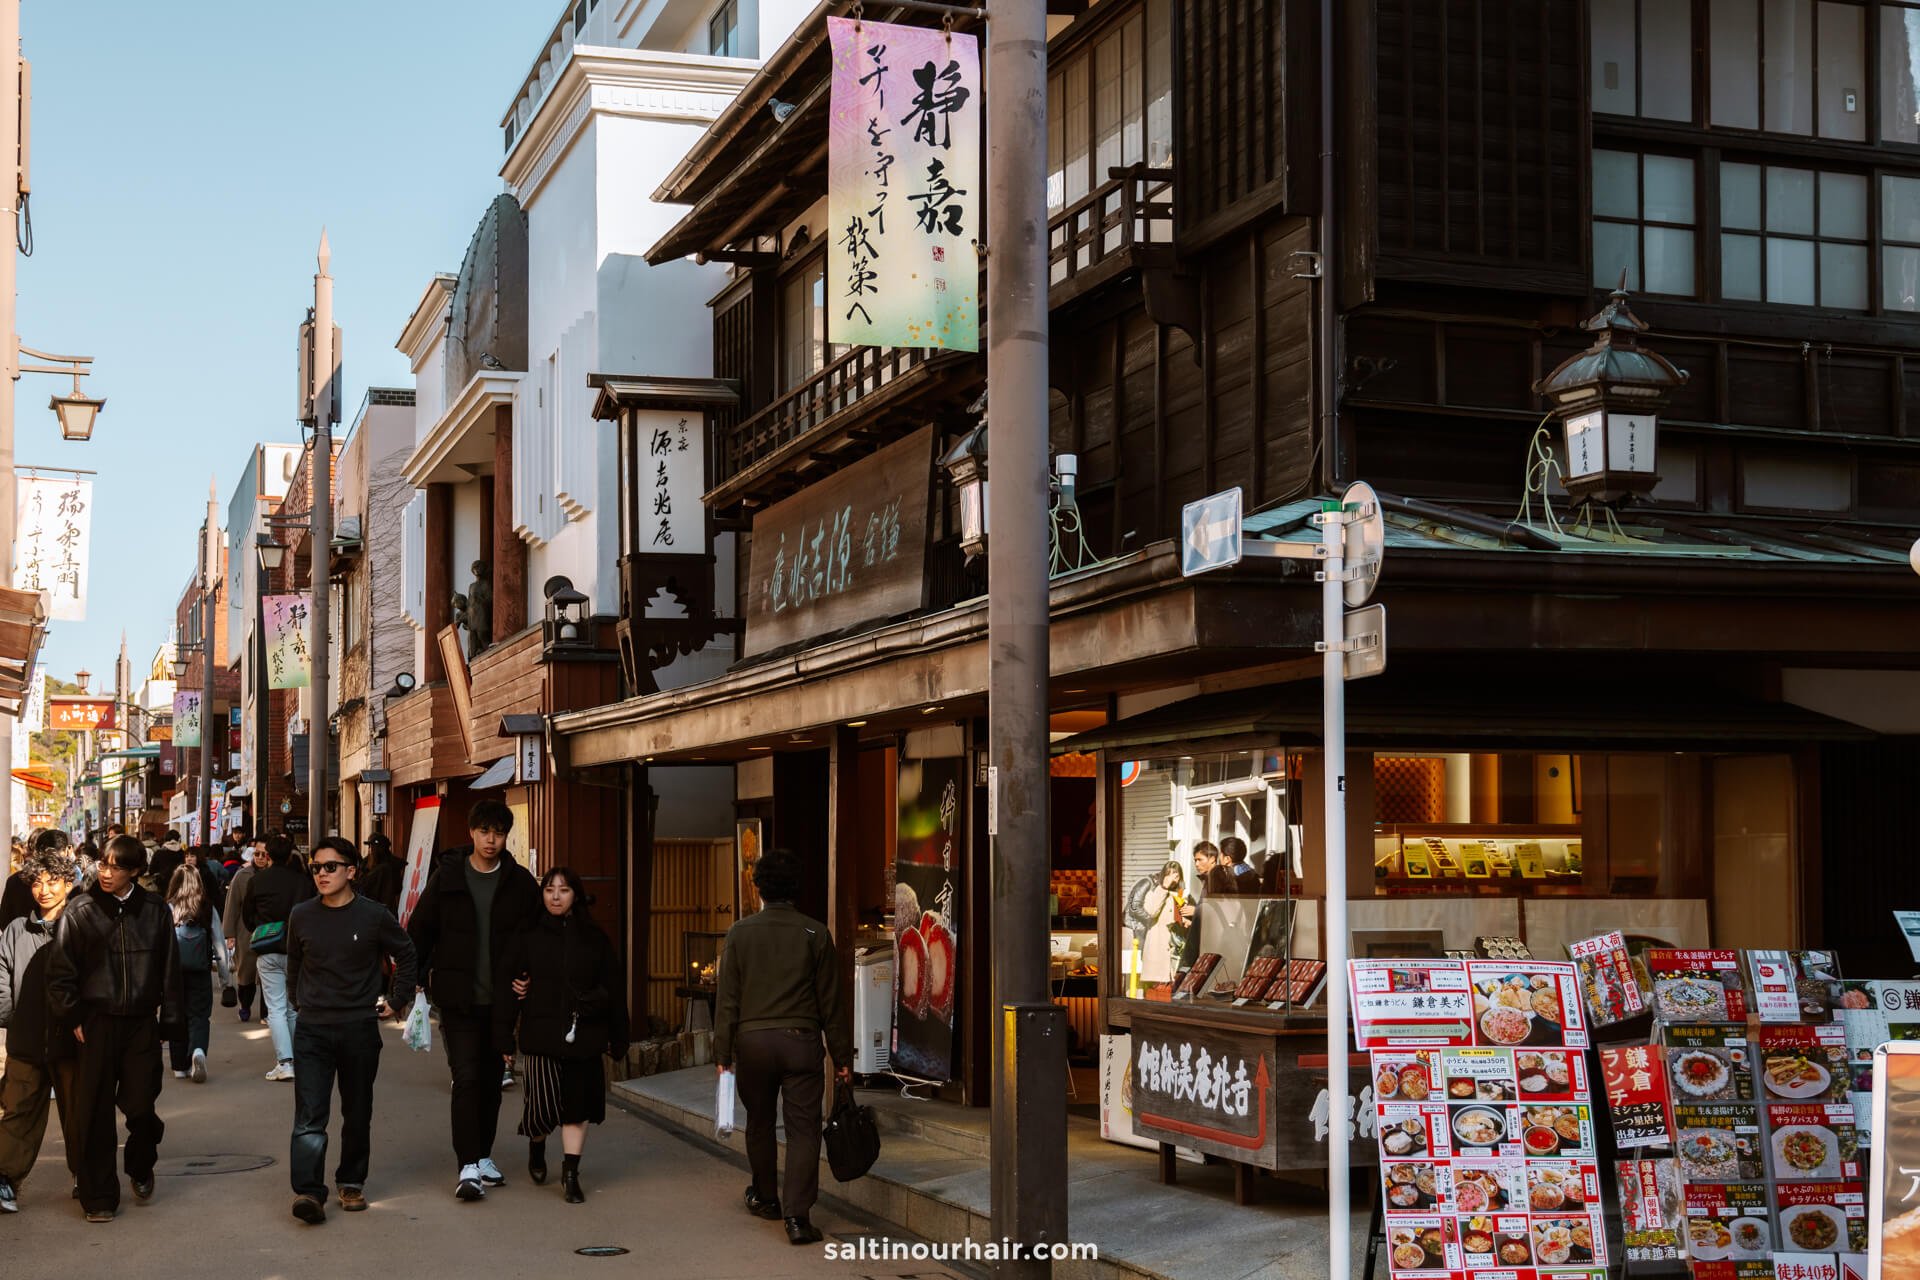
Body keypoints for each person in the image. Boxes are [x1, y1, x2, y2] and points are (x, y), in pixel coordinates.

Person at [714, 848, 853, 1246]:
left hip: (753, 1043)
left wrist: (723, 1056)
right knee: (802, 1129)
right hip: (800, 1043)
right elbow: (832, 1004)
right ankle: (797, 1217)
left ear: (758, 888)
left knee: (759, 1122)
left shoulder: (740, 933)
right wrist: (842, 1059)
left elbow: (728, 1001)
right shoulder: (815, 933)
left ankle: (765, 1197)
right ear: (798, 889)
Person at [45, 834, 184, 1223]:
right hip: (94, 1024)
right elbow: (60, 973)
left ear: (135, 871)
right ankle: (99, 1197)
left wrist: (171, 1023)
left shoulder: (155, 910)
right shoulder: (80, 911)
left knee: (141, 1107)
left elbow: (170, 970)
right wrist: (71, 1016)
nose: (106, 873)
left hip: (141, 1024)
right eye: (103, 865)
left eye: (116, 866)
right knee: (95, 1112)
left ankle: (141, 1164)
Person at [406, 798, 539, 1202]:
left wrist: (529, 976)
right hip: (457, 997)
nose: (491, 840)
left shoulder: (520, 882)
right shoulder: (448, 875)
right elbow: (420, 929)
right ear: (472, 832)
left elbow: (536, 937)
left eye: (498, 833)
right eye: (485, 831)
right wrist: (411, 983)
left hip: (500, 1000)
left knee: (492, 1083)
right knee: (465, 1076)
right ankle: (467, 1166)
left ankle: (483, 1154)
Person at [284, 836, 417, 1224]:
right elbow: (294, 962)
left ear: (351, 871)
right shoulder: (302, 915)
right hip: (312, 1028)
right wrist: (297, 1000)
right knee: (310, 1114)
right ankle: (308, 1192)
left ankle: (351, 1181)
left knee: (357, 1111)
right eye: (316, 868)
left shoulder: (374, 915)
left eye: (330, 867)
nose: (321, 874)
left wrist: (397, 998)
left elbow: (406, 952)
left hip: (358, 1027)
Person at [494, 867, 628, 1204]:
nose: (556, 896)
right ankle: (537, 1145)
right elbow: (509, 986)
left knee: (577, 1106)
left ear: (576, 896)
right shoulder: (528, 935)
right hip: (540, 1033)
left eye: (564, 890)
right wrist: (504, 1038)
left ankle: (571, 1172)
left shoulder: (594, 937)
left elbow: (614, 987)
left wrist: (618, 1033)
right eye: (550, 890)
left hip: (585, 1033)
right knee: (540, 1108)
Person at [0, 844, 85, 1212]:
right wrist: (13, 1020)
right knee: (17, 1111)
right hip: (28, 1039)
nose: (44, 890)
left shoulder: (83, 923)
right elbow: (2, 980)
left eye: (53, 882)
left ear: (69, 883)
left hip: (73, 1039)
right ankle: (4, 1179)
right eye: (37, 882)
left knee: (80, 1111)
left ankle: (86, 1175)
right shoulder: (17, 929)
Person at [242, 832, 313, 1081]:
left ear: (268, 855)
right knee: (293, 1007)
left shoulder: (258, 881)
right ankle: (296, 1058)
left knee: (276, 1008)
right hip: (297, 949)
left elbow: (247, 916)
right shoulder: (303, 881)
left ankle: (285, 1061)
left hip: (268, 947)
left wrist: (261, 929)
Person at [164, 864, 215, 1084]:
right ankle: (198, 1050)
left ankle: (179, 1066)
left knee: (176, 1014)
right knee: (199, 1014)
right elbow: (219, 941)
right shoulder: (205, 907)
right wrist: (225, 977)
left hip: (172, 972)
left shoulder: (167, 907)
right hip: (200, 970)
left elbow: (159, 942)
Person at [223, 840, 261, 1023]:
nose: (261, 858)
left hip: (271, 930)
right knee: (246, 972)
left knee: (268, 977)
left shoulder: (275, 875)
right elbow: (232, 906)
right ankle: (245, 1004)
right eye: (258, 854)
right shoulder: (242, 875)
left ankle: (267, 1013)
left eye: (265, 854)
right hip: (245, 930)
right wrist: (229, 933)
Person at [357, 833, 403, 916]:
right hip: (375, 911)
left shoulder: (386, 868)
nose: (371, 849)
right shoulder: (366, 864)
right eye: (370, 846)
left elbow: (396, 888)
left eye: (373, 846)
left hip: (380, 911)